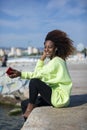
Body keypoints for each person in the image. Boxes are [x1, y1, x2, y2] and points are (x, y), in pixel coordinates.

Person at [8, 29, 75, 121]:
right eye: (45, 47)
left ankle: (30, 109)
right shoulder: (57, 60)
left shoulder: (56, 62)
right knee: (24, 103)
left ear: (56, 48)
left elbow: (37, 75)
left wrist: (20, 74)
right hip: (58, 96)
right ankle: (27, 119)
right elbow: (38, 72)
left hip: (58, 98)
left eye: (50, 47)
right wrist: (42, 58)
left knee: (34, 81)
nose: (46, 50)